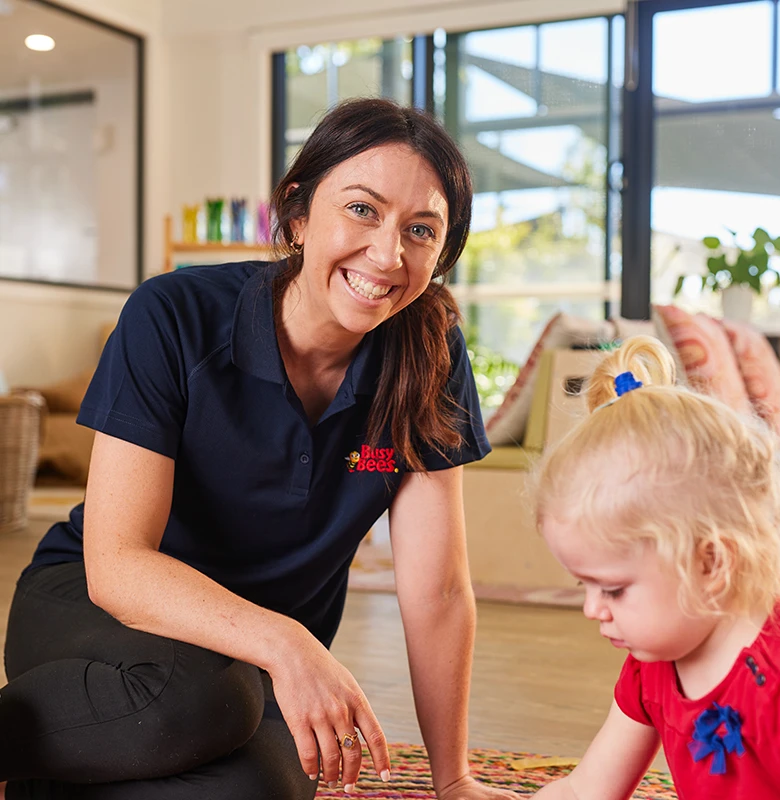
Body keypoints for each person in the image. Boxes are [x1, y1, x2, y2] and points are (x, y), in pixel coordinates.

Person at [0, 97, 524, 800]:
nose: (388, 254)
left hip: (250, 677)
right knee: (195, 695)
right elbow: (117, 566)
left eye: (421, 230)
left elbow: (438, 591)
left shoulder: (430, 358)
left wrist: (454, 779)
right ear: (299, 212)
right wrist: (286, 642)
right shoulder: (173, 316)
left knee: (262, 788)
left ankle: (49, 777)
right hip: (101, 619)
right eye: (363, 210)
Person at [530, 334, 780, 799]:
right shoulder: (651, 664)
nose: (592, 609)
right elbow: (587, 790)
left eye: (612, 589)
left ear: (711, 564)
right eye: (585, 586)